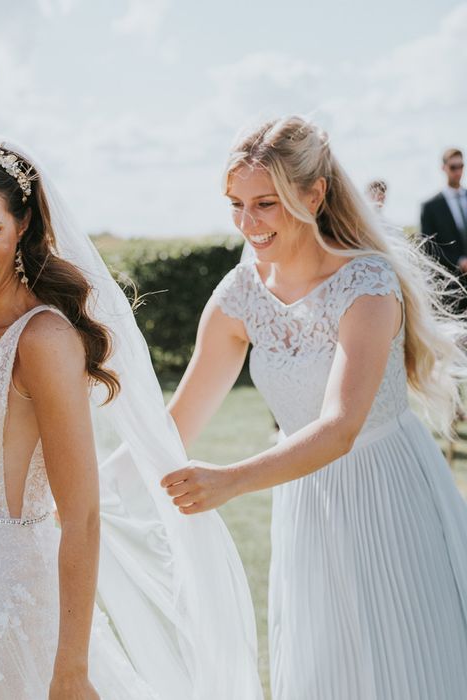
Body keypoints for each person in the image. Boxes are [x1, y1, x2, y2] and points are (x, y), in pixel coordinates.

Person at [0, 134, 262, 699]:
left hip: (13, 602)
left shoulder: (43, 337)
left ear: (23, 224)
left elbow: (81, 515)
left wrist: (71, 670)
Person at [163, 116, 467, 700]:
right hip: (305, 504)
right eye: (236, 204)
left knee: (411, 663)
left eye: (266, 204)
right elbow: (176, 425)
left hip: (389, 491)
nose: (248, 224)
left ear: (314, 193)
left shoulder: (367, 284)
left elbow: (340, 429)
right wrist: (91, 486)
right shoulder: (239, 295)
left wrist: (231, 480)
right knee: (326, 670)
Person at [421, 149, 467, 314]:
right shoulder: (430, 207)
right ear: (444, 168)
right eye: (453, 167)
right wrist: (459, 262)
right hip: (450, 288)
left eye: (461, 166)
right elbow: (429, 248)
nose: (458, 171)